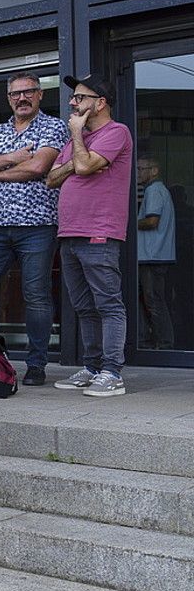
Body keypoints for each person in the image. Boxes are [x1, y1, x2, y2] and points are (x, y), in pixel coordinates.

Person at [0, 71, 70, 386]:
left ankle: (36, 364)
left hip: (38, 226)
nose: (21, 98)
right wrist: (13, 158)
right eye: (15, 94)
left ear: (40, 95)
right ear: (8, 98)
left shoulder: (53, 126)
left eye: (28, 92)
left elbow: (39, 167)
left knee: (35, 295)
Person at [46, 74, 134, 398]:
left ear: (100, 103)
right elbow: (51, 178)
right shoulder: (76, 143)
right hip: (69, 233)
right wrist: (75, 158)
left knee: (108, 304)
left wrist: (74, 139)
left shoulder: (117, 133)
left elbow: (83, 168)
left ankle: (113, 373)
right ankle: (93, 367)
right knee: (83, 306)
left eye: (80, 97)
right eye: (74, 97)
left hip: (99, 231)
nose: (73, 102)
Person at [137, 157, 176, 350]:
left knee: (154, 301)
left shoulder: (154, 191)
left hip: (153, 255)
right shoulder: (158, 191)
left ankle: (164, 343)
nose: (138, 173)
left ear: (154, 170)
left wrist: (130, 224)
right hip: (155, 254)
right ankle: (152, 339)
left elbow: (152, 221)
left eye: (142, 169)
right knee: (153, 299)